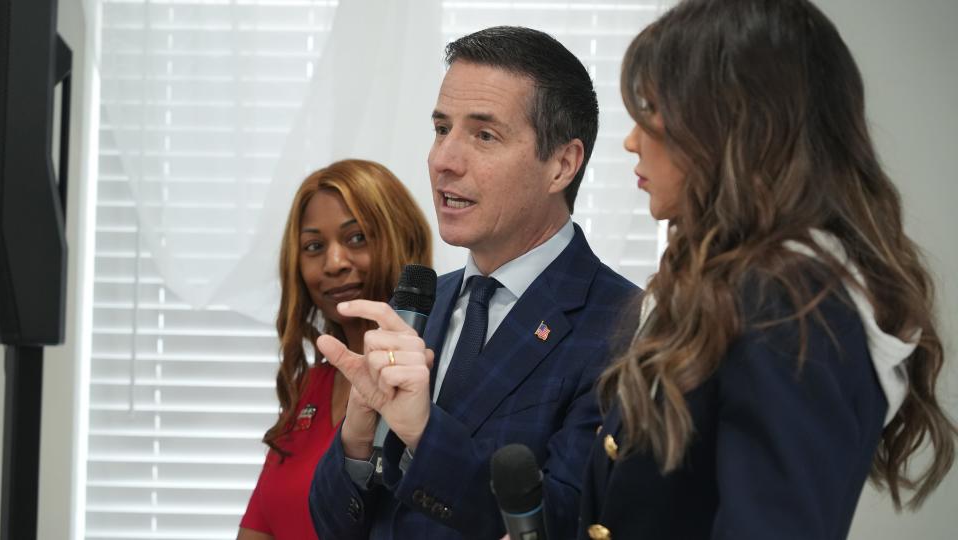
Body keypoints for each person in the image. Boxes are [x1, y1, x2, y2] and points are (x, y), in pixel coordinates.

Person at [578, 1, 958, 539]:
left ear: (730, 124)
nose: (632, 139)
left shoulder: (790, 301)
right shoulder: (742, 286)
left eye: (653, 111)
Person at [308, 26, 638, 539]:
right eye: (442, 129)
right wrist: (356, 436)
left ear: (562, 165)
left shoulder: (625, 327)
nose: (443, 160)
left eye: (484, 135)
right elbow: (336, 527)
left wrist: (421, 432)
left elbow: (567, 521)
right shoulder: (423, 304)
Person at [238, 159, 432, 540]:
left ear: (403, 238)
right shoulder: (307, 389)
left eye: (356, 238)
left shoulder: (430, 375)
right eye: (314, 246)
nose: (334, 263)